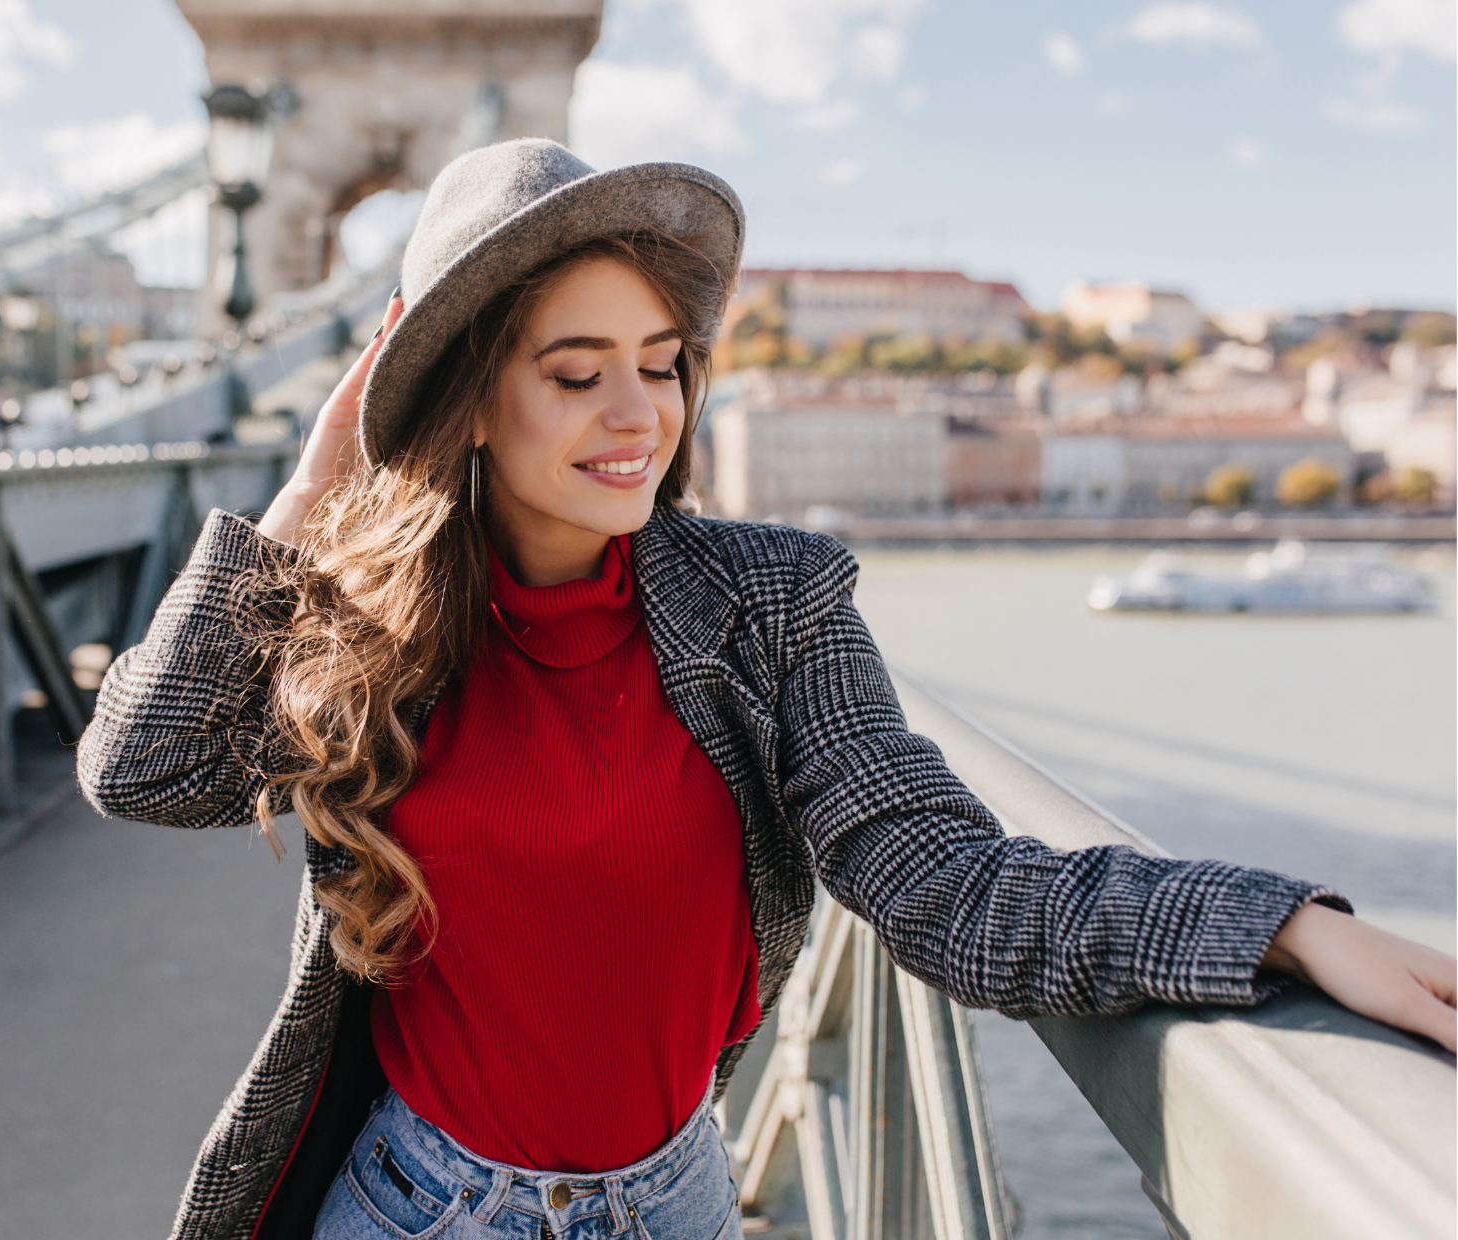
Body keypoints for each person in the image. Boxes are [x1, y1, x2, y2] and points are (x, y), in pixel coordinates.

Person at [77, 140, 1456, 1240]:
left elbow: (946, 884)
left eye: (661, 364)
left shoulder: (771, 603)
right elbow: (142, 768)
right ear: (470, 398)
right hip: (424, 1206)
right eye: (577, 373)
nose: (640, 414)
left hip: (676, 1202)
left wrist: (1280, 927)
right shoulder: (364, 621)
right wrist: (311, 492)